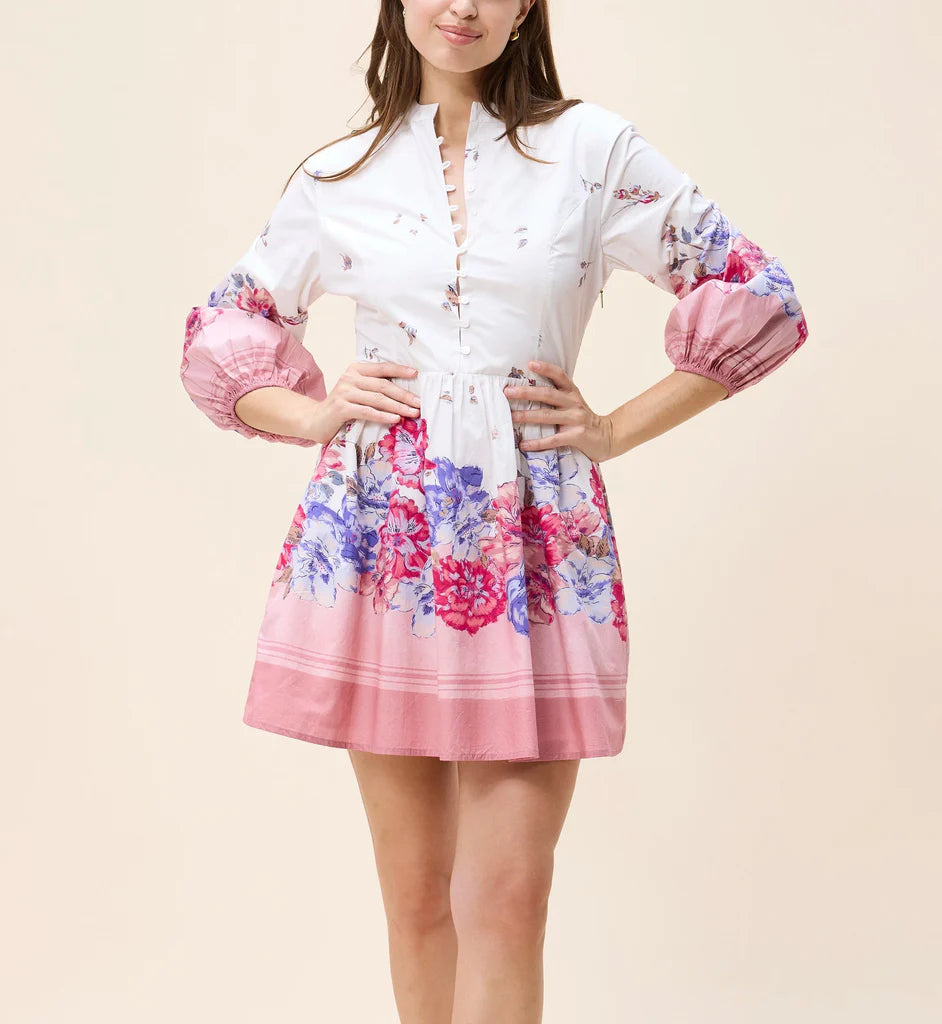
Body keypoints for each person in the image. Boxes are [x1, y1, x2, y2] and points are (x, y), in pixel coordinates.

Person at [180, 1, 809, 1019]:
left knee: (506, 898)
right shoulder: (339, 174)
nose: (462, 5)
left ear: (525, 7)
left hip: (534, 546)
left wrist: (614, 429)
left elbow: (758, 292)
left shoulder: (591, 151)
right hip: (383, 546)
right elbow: (224, 326)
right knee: (418, 898)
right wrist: (313, 415)